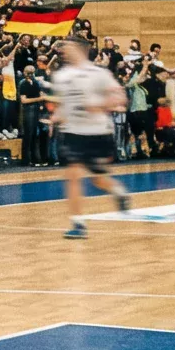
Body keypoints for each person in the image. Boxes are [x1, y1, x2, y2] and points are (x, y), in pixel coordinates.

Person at [48, 39, 131, 240]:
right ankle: (78, 224)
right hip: (73, 133)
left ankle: (118, 191)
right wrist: (56, 117)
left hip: (98, 132)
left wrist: (101, 104)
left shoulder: (99, 73)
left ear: (81, 49)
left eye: (68, 47)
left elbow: (120, 99)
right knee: (73, 175)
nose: (64, 51)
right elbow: (63, 104)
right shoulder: (61, 76)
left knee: (98, 179)